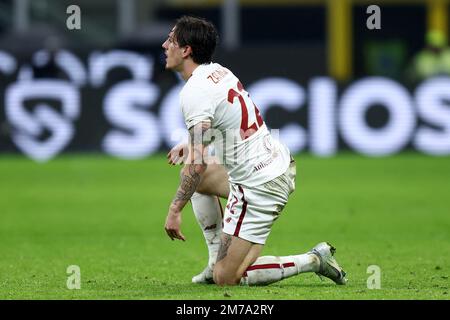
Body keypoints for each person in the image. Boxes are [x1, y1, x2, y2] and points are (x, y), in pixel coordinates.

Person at [162, 15, 347, 286]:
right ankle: (215, 262)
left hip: (259, 186)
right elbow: (234, 125)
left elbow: (197, 162)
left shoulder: (194, 92)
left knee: (228, 278)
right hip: (273, 162)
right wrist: (191, 143)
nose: (165, 45)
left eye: (171, 40)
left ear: (186, 50)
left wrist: (174, 210)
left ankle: (314, 260)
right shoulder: (218, 72)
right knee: (196, 179)